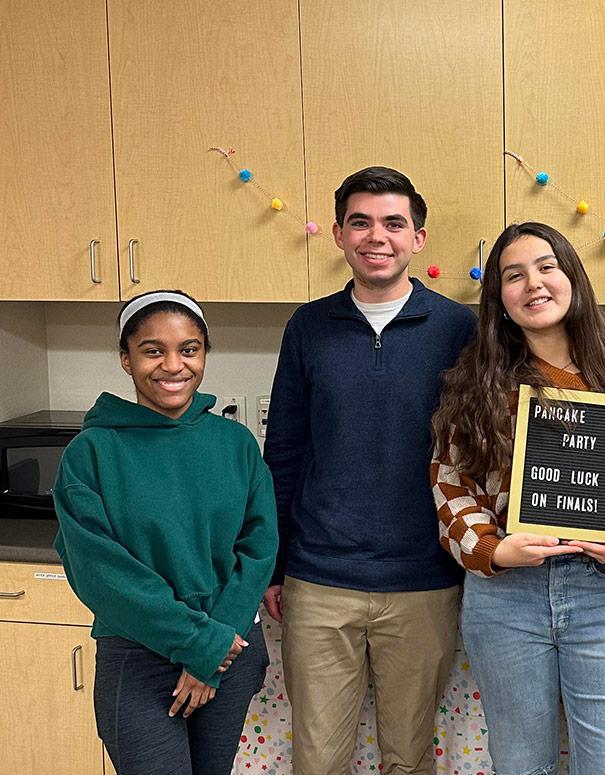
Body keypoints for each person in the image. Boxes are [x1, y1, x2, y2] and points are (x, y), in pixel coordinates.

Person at [262, 166, 476, 773]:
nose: (376, 236)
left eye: (392, 223)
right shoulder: (308, 327)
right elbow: (285, 452)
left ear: (418, 238)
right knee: (318, 759)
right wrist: (276, 566)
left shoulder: (461, 329)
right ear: (338, 234)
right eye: (360, 222)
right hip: (319, 581)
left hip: (424, 581)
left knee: (408, 758)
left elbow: (484, 453)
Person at [430, 221, 605, 775]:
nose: (533, 284)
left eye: (546, 267)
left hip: (603, 592)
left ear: (573, 280)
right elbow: (449, 481)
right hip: (506, 597)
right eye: (513, 276)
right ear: (499, 301)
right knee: (521, 765)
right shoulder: (473, 382)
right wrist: (492, 550)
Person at [53, 290, 277, 775]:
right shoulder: (91, 453)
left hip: (229, 650)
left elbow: (259, 547)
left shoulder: (234, 443)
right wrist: (198, 645)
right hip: (140, 654)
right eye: (153, 350)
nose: (173, 365)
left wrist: (214, 646)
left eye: (189, 349)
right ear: (125, 359)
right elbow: (100, 572)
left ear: (203, 354)